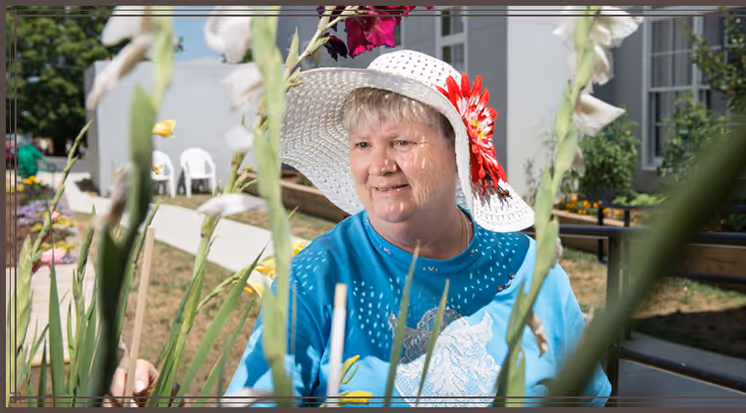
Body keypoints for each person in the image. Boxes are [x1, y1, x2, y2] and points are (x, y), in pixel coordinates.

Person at [109, 50, 611, 407]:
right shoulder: (317, 276)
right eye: (363, 144)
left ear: (458, 155)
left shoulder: (530, 270)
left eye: (402, 142)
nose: (380, 165)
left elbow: (587, 400)